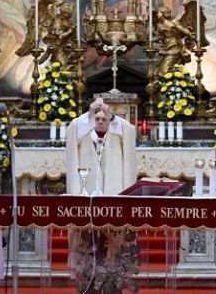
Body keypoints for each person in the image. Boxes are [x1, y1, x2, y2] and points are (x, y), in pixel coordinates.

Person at [65, 98, 138, 293]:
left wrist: (112, 115)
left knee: (115, 241)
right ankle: (87, 281)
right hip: (87, 196)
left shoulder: (119, 131)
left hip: (113, 196)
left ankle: (113, 281)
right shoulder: (81, 130)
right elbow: (74, 129)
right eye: (96, 117)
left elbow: (129, 130)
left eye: (103, 117)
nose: (100, 120)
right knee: (87, 242)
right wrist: (90, 114)